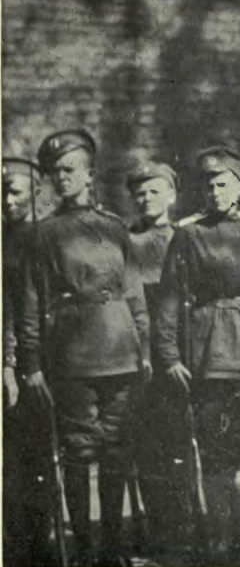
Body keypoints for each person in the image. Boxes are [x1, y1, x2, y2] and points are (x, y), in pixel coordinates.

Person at [18, 129, 152, 566]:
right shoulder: (43, 234)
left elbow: (134, 294)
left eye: (70, 170)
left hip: (122, 351)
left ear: (90, 173)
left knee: (116, 449)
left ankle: (112, 547)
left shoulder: (114, 227)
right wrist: (33, 362)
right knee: (78, 452)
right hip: (72, 357)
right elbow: (32, 304)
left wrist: (144, 349)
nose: (62, 178)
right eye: (55, 172)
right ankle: (85, 550)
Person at [155, 145, 240, 560]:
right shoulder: (187, 235)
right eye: (208, 185)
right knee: (215, 448)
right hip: (207, 355)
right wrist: (168, 355)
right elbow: (169, 299)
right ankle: (219, 535)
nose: (215, 192)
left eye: (223, 183)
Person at [124, 160, 190, 557]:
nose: (146, 198)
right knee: (147, 445)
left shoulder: (184, 237)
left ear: (172, 195)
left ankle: (187, 526)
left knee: (182, 440)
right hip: (138, 353)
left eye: (155, 190)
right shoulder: (124, 241)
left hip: (179, 350)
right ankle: (158, 528)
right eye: (140, 192)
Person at [3, 143, 56, 567]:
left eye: (16, 192)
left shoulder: (46, 236)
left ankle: (43, 544)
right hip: (13, 360)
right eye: (3, 193)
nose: (8, 201)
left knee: (42, 453)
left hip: (46, 360)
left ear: (37, 191)